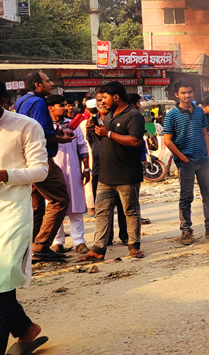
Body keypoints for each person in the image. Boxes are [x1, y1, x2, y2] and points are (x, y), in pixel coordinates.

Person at [0, 75, 51, 355]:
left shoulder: (25, 126)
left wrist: (5, 175)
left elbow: (40, 171)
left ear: (0, 104)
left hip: (11, 218)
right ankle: (26, 330)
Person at [12, 71, 72, 261]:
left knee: (37, 206)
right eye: (47, 81)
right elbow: (41, 132)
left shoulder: (20, 101)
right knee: (59, 199)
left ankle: (27, 247)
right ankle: (41, 245)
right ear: (38, 85)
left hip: (25, 158)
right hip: (41, 157)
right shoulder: (38, 102)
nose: (51, 84)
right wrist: (62, 138)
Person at [162, 81, 209, 245]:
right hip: (186, 163)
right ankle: (186, 231)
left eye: (190, 92)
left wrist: (208, 156)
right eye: (183, 92)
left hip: (203, 161)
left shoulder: (200, 112)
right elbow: (168, 141)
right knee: (186, 197)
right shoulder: (172, 115)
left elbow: (205, 134)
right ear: (176, 94)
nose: (187, 95)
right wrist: (183, 158)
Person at [87, 81, 145, 261]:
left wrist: (108, 133)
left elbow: (135, 141)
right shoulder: (109, 115)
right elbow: (106, 139)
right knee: (102, 212)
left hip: (126, 174)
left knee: (130, 211)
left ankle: (133, 246)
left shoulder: (133, 116)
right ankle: (98, 249)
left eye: (105, 97)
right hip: (106, 175)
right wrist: (96, 132)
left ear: (116, 97)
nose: (102, 102)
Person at [46, 95, 90, 255]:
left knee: (76, 207)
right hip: (51, 171)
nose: (66, 108)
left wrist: (86, 168)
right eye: (61, 105)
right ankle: (58, 242)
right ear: (50, 107)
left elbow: (82, 146)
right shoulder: (44, 127)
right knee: (54, 207)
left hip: (73, 170)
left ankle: (79, 241)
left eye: (66, 105)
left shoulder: (73, 124)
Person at [85, 95, 129, 250]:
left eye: (104, 102)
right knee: (103, 207)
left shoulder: (118, 119)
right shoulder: (91, 122)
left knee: (124, 206)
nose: (102, 105)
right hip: (99, 168)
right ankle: (107, 237)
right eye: (99, 102)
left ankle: (126, 236)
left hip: (119, 167)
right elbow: (92, 144)